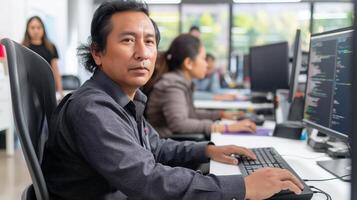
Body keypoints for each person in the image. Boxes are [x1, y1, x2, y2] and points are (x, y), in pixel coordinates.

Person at [42, 1, 303, 199]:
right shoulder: (93, 108)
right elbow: (146, 179)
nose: (142, 53)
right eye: (128, 40)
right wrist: (242, 186)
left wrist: (207, 150)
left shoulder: (123, 100)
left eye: (150, 41)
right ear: (97, 53)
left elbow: (157, 149)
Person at [146, 34, 256, 138]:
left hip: (172, 142)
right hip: (165, 147)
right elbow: (179, 124)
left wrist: (221, 114)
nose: (206, 64)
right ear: (188, 63)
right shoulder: (172, 85)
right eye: (203, 59)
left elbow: (191, 114)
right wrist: (226, 127)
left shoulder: (180, 82)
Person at [22, 16, 64, 97]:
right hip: (28, 90)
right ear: (27, 29)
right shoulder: (22, 47)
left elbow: (55, 70)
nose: (36, 30)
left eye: (38, 27)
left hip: (47, 87)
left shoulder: (51, 47)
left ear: (43, 29)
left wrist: (60, 91)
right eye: (32, 27)